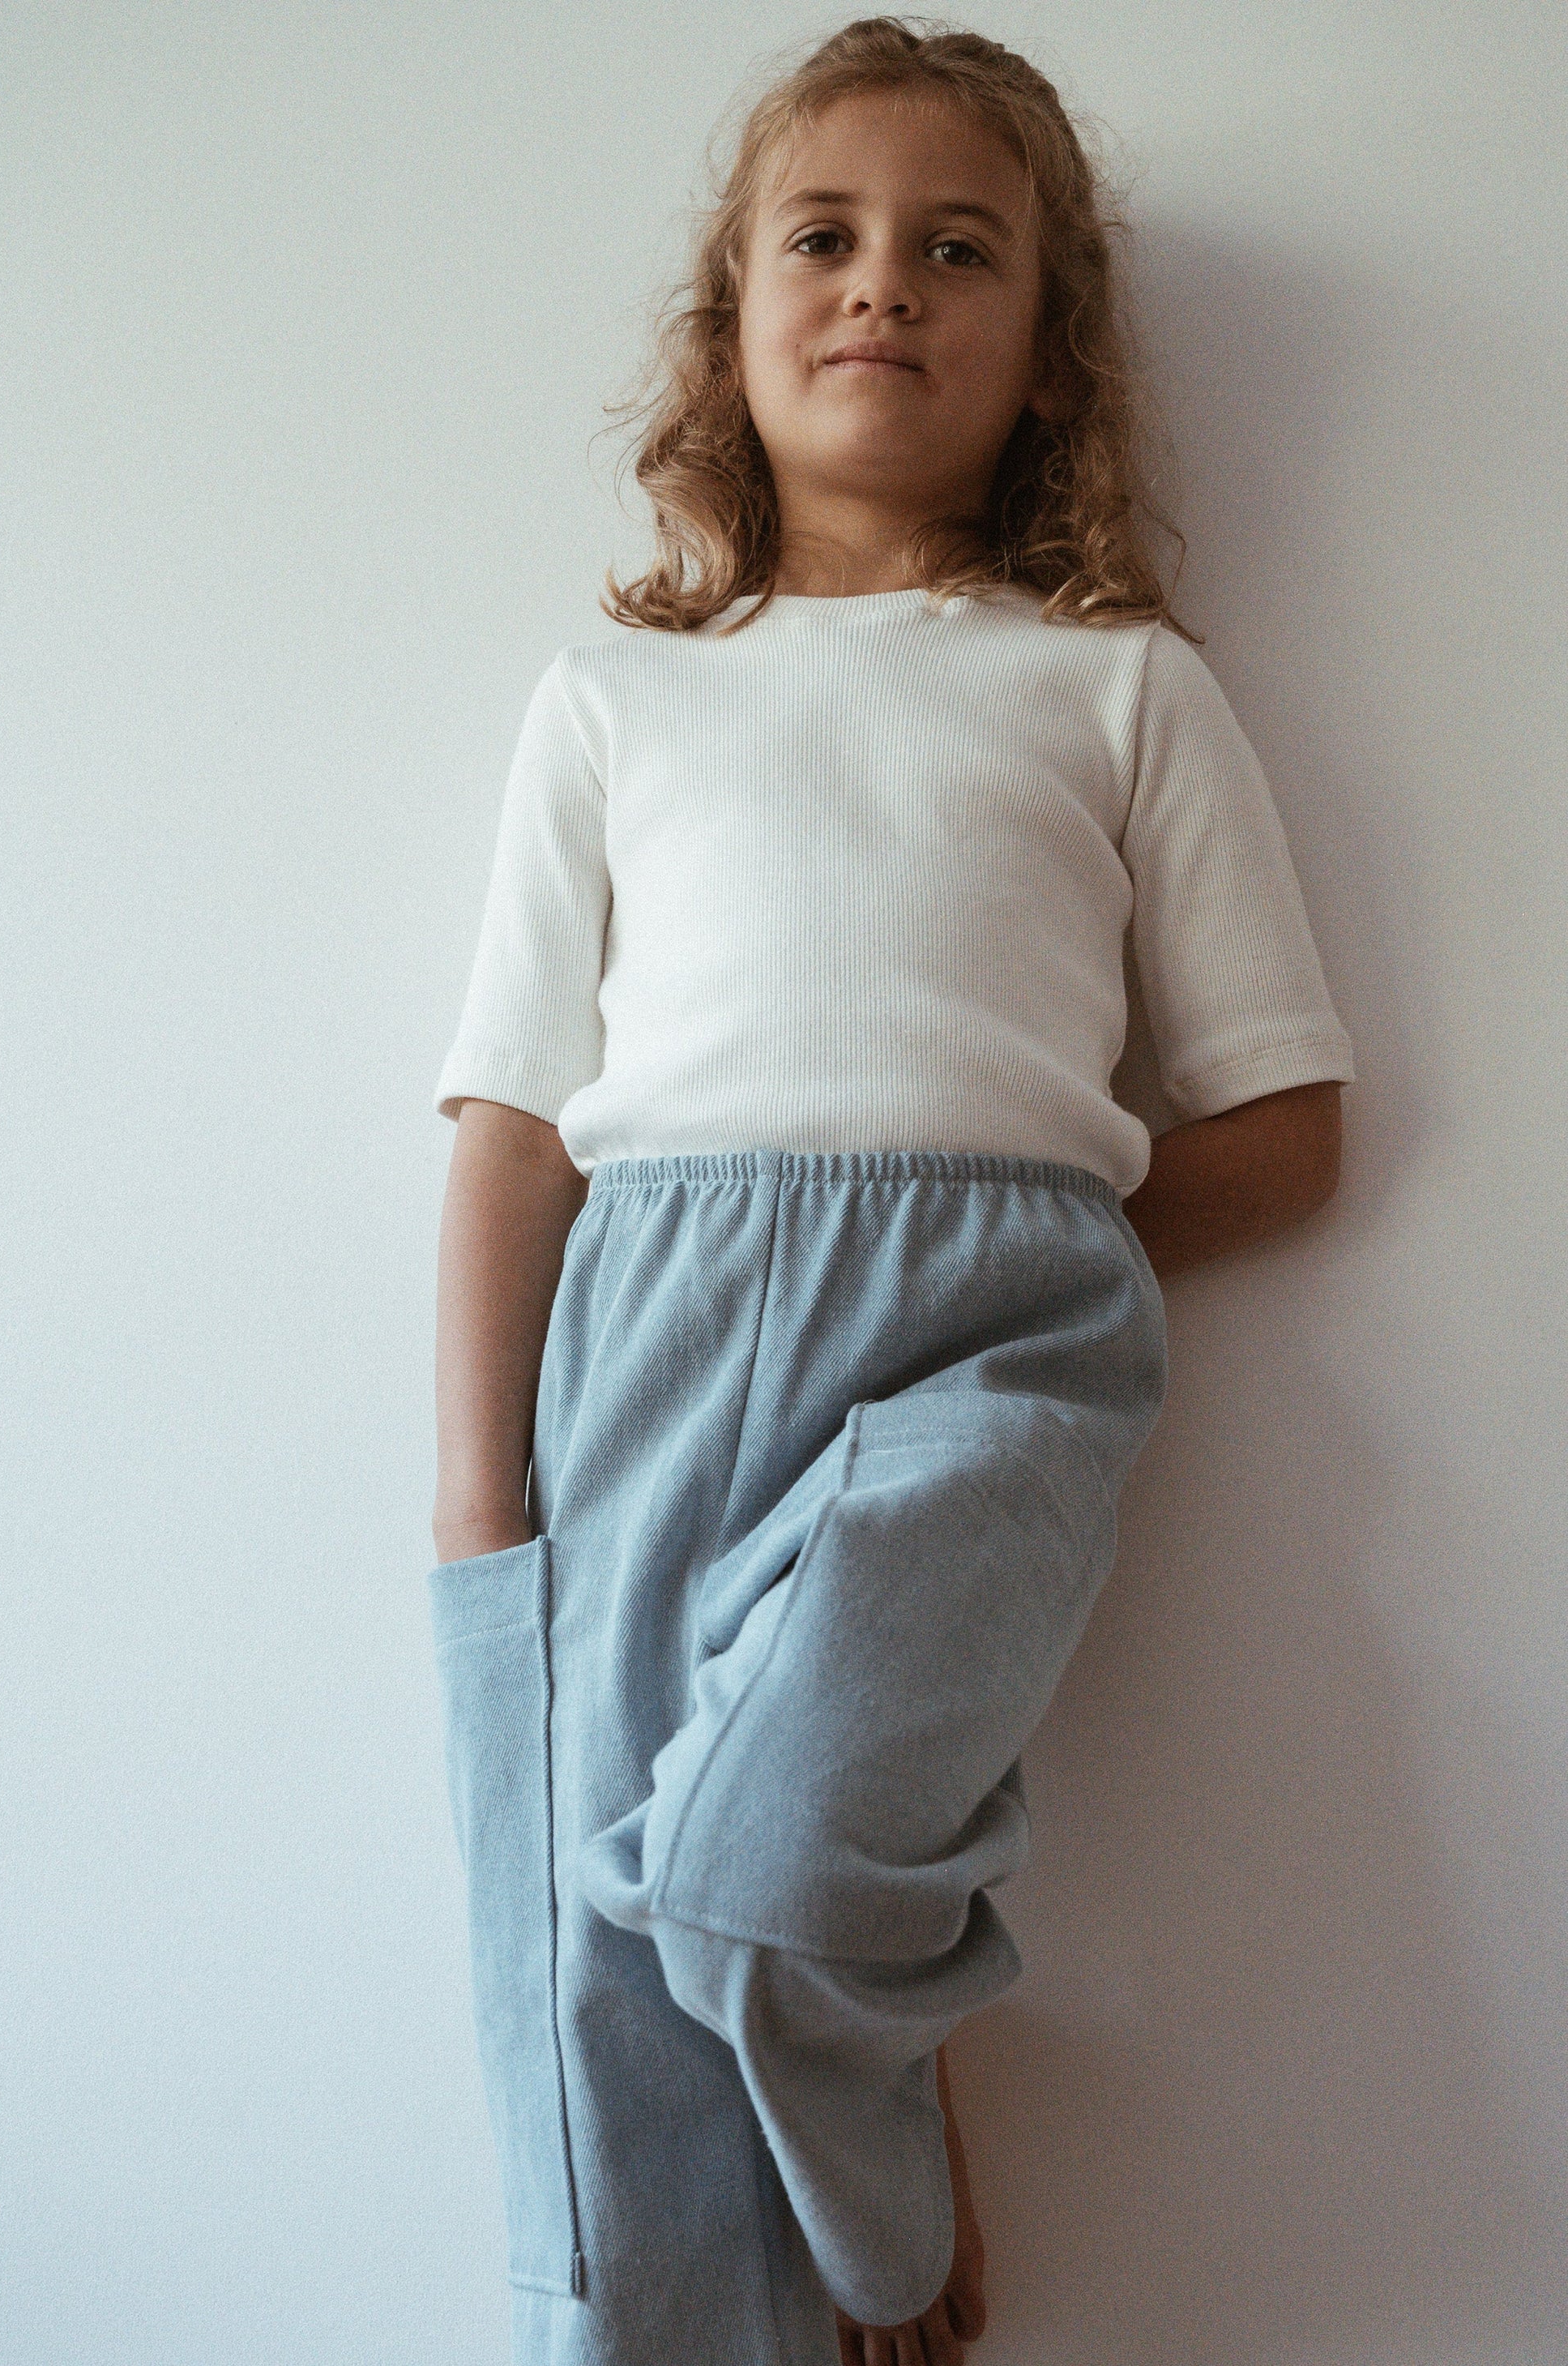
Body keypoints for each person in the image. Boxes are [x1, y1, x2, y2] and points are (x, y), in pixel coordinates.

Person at [426, 19, 1355, 2366]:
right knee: (611, 1983)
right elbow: (514, 1117)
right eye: (818, 242)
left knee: (751, 1881)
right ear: (725, 327)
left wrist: (1020, 1232)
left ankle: (866, 2062)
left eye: (960, 252)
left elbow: (1281, 1124)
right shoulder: (617, 698)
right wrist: (476, 1509)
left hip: (999, 1334)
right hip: (644, 1333)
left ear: (1046, 355)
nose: (882, 290)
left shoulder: (1115, 684)